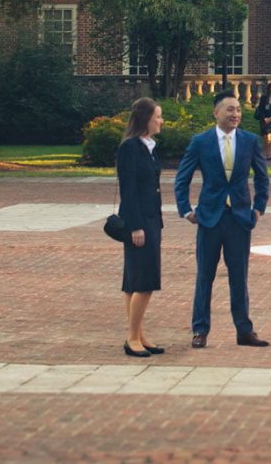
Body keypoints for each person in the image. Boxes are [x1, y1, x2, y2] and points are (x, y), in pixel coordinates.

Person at [175, 90, 271, 348]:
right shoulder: (200, 141)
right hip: (209, 218)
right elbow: (182, 178)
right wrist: (185, 209)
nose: (236, 114)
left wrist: (259, 207)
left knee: (239, 277)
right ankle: (200, 330)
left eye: (238, 110)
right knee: (204, 275)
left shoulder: (250, 141)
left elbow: (262, 177)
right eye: (230, 110)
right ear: (216, 113)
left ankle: (244, 330)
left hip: (240, 218)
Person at [115, 98, 165, 357]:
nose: (161, 121)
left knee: (134, 282)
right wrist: (136, 226)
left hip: (151, 220)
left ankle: (139, 333)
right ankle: (132, 338)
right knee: (144, 281)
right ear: (145, 119)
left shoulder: (149, 147)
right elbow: (129, 190)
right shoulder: (130, 148)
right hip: (139, 223)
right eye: (157, 116)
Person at [255, 83, 271, 159]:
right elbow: (261, 109)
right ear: (269, 88)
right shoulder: (263, 97)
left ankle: (269, 154)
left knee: (269, 136)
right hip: (264, 120)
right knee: (265, 137)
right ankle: (266, 153)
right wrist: (264, 118)